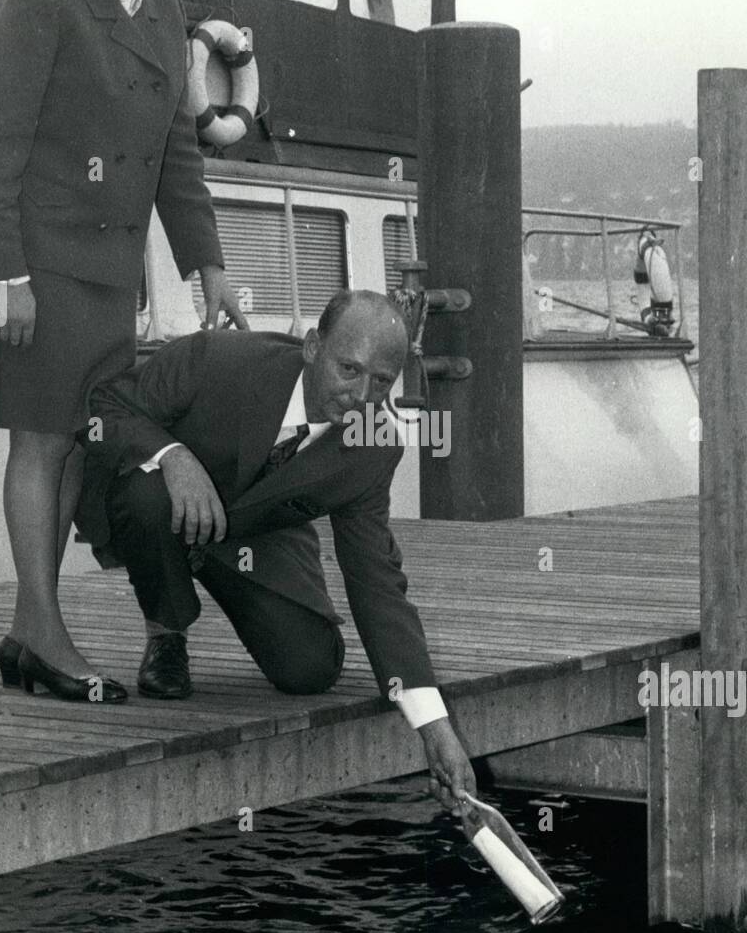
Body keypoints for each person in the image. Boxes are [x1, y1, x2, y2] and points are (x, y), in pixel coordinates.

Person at [0, 0, 248, 704]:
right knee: (43, 441)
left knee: (69, 450)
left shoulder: (166, 11)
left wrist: (207, 265)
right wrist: (6, 276)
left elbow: (177, 149)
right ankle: (44, 632)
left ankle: (31, 632)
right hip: (44, 264)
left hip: (111, 275)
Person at [75, 290, 477, 808]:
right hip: (164, 504)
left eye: (381, 382)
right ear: (312, 347)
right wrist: (172, 456)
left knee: (309, 670)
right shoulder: (216, 359)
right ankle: (166, 631)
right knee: (147, 494)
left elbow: (378, 583)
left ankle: (209, 566)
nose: (362, 395)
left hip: (259, 533)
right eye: (349, 369)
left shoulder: (375, 443)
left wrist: (433, 726)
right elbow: (104, 407)